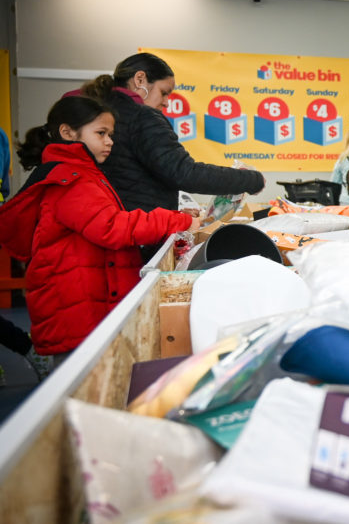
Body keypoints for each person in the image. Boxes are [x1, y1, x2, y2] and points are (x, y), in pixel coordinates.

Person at [0, 96, 201, 358]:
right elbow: (112, 228)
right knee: (76, 386)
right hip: (76, 311)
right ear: (67, 132)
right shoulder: (71, 179)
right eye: (101, 133)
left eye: (110, 134)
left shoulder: (84, 173)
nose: (109, 141)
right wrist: (177, 220)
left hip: (85, 303)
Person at [75, 53, 265, 213]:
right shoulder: (142, 117)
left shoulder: (98, 113)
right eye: (164, 92)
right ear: (140, 79)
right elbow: (184, 173)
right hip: (140, 237)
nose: (166, 102)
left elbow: (133, 181)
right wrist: (251, 179)